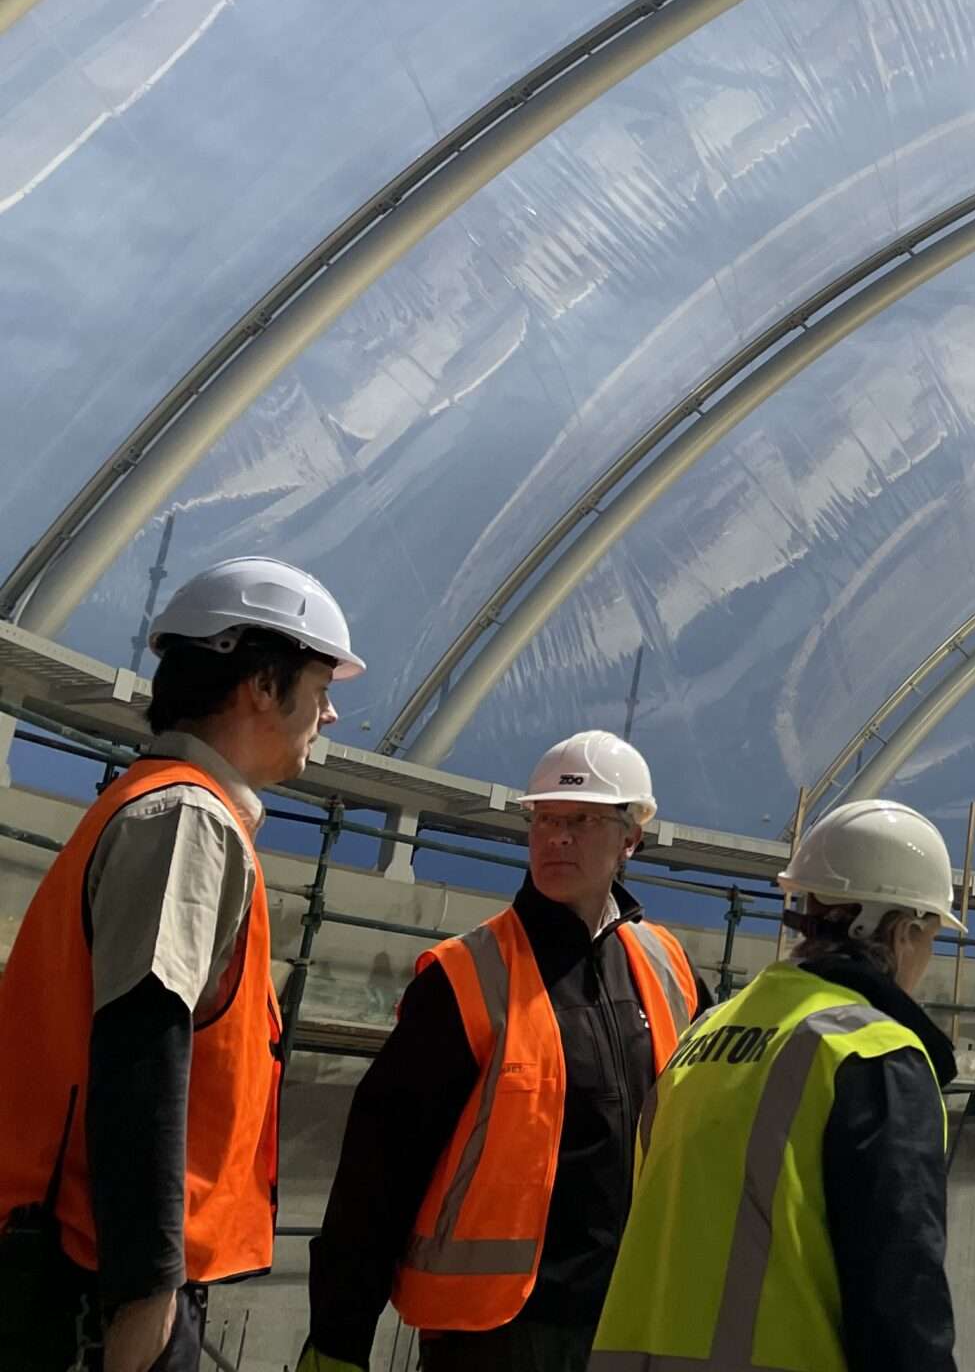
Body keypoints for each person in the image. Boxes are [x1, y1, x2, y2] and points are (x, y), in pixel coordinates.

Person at [0, 557, 362, 1372]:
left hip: (75, 1264)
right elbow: (144, 1048)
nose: (331, 712)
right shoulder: (186, 818)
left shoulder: (152, 802)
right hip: (93, 1288)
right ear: (263, 686)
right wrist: (147, 1298)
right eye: (319, 682)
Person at [302, 732, 708, 1372]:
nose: (558, 837)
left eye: (581, 820)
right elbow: (379, 1167)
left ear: (630, 838)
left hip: (631, 1313)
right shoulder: (465, 975)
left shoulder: (668, 966)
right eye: (545, 819)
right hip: (496, 1334)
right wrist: (339, 1334)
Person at [589, 799, 963, 1372]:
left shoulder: (704, 1035)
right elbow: (901, 1297)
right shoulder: (871, 1053)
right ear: (903, 932)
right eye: (931, 935)